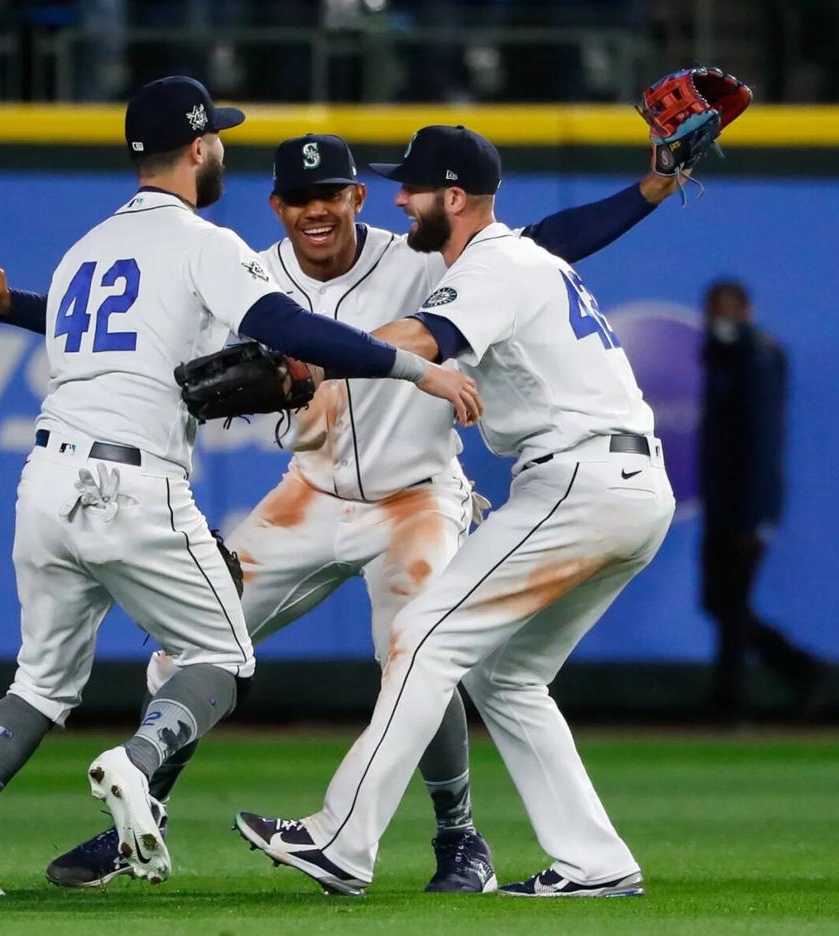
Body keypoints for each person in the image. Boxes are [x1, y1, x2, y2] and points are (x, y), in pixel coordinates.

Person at [0, 133, 682, 892]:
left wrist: (646, 192)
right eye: (300, 198)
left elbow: (539, 244)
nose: (321, 209)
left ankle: (457, 839)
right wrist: (11, 307)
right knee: (186, 655)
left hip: (418, 493)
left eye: (337, 194)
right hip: (311, 495)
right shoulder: (250, 274)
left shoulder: (428, 257)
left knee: (415, 648)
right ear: (279, 207)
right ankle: (140, 811)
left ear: (355, 198)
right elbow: (143, 335)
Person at [0, 76, 480, 898]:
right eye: (223, 142)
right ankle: (137, 769)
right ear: (204, 147)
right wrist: (410, 366)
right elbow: (282, 328)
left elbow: (128, 326)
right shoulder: (206, 243)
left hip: (46, 482)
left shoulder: (86, 249)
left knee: (40, 680)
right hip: (137, 479)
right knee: (220, 655)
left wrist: (7, 306)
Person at [233, 124, 674, 898]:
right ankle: (596, 862)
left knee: (422, 635)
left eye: (413, 186)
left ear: (456, 198)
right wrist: (653, 188)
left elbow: (422, 337)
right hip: (628, 486)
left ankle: (340, 839)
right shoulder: (516, 258)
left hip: (578, 480)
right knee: (504, 678)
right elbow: (562, 236)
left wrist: (308, 360)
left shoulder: (492, 264)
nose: (399, 198)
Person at [700, 279, 820, 721]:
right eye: (714, 310)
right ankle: (795, 671)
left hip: (745, 508)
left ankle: (731, 700)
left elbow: (763, 442)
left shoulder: (758, 357)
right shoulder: (722, 357)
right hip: (722, 503)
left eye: (728, 310)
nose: (719, 320)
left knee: (730, 606)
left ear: (748, 310)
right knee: (720, 603)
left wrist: (755, 517)